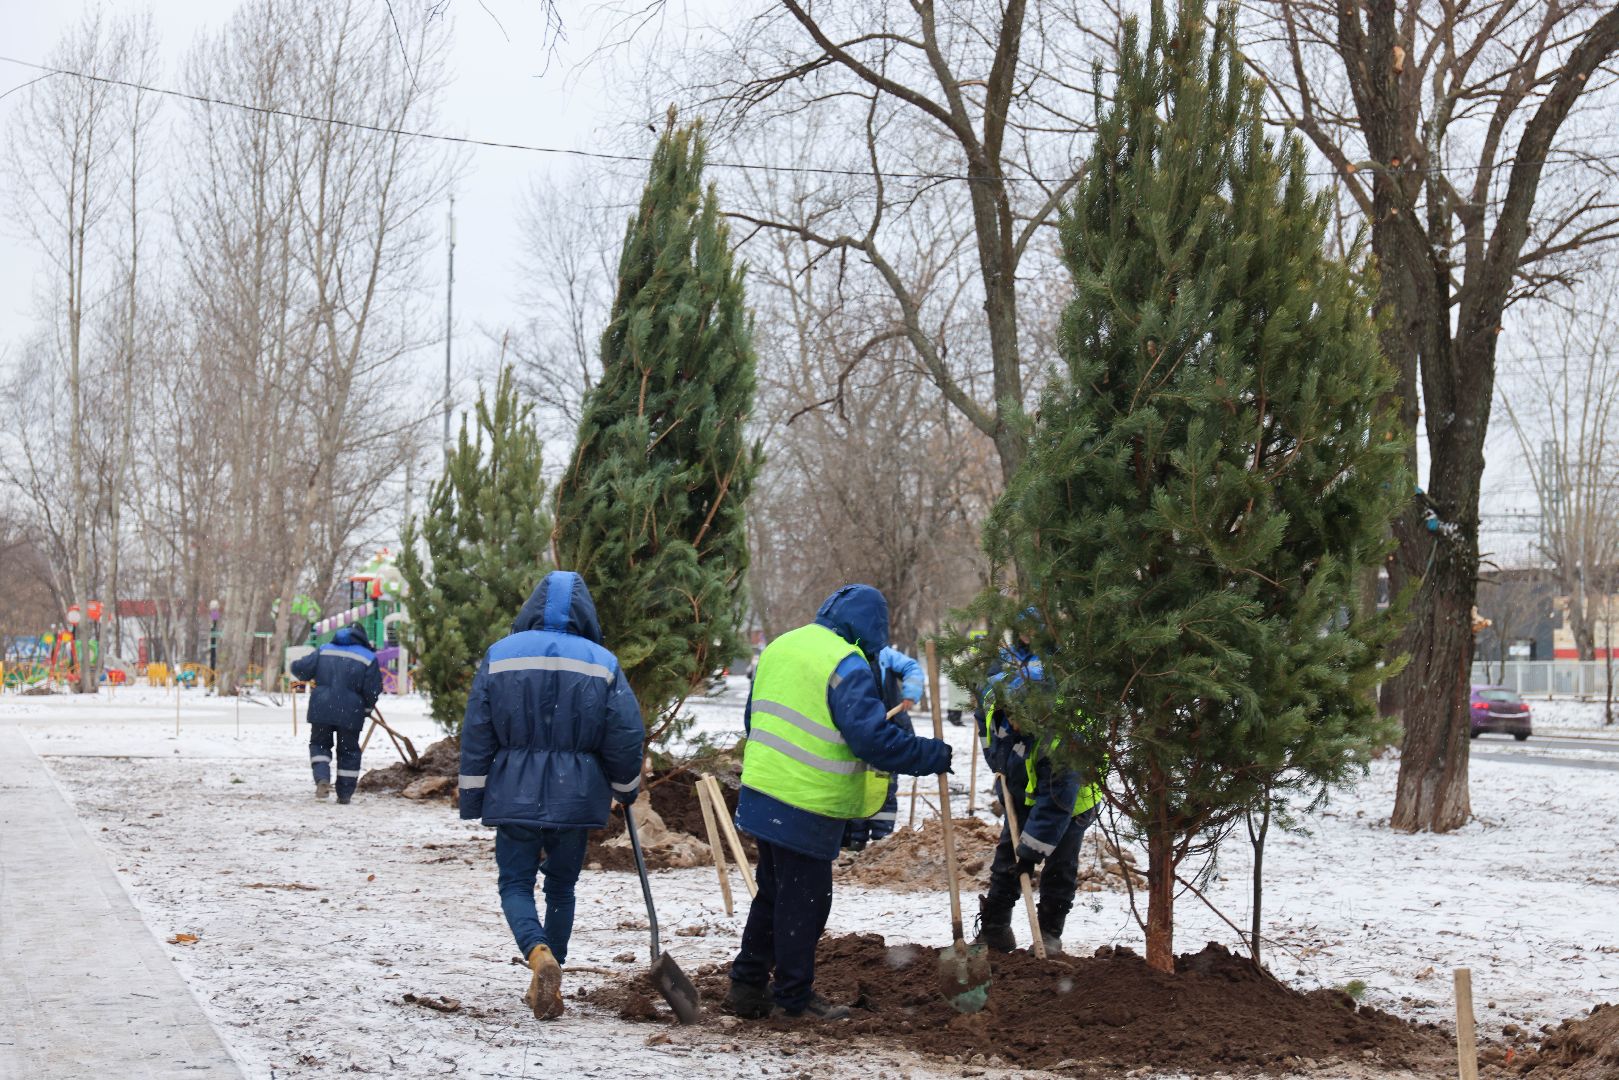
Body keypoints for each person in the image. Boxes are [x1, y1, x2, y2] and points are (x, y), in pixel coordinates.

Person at [725, 584, 952, 1021]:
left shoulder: (782, 646)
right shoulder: (844, 664)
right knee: (805, 902)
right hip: (806, 802)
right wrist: (929, 754)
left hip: (762, 793)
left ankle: (747, 985)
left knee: (773, 893)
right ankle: (793, 1000)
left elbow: (753, 717)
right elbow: (871, 740)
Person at [458, 571, 644, 1022]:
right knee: (562, 887)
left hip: (514, 788)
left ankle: (538, 955)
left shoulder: (501, 657)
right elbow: (625, 733)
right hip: (575, 794)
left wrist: (473, 794)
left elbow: (477, 731)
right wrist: (625, 787)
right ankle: (550, 977)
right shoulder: (602, 662)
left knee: (515, 883)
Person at [972, 633, 1102, 957]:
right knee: (1007, 860)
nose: (1013, 723)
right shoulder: (997, 707)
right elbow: (994, 746)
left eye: (1021, 716)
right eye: (1010, 714)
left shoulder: (1061, 737)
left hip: (1071, 803)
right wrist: (1005, 783)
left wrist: (1031, 852)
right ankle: (995, 931)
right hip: (1026, 790)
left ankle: (1049, 936)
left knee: (1058, 866)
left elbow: (1057, 802)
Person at [841, 643, 923, 850]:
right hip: (855, 732)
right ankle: (855, 841)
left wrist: (910, 693)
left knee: (885, 787)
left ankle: (882, 841)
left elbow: (911, 667)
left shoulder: (884, 655)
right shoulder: (844, 656)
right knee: (856, 787)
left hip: (888, 730)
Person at [289, 624, 383, 805]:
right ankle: (345, 793)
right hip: (351, 711)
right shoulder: (368, 657)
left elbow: (301, 670)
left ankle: (322, 778)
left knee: (319, 744)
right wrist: (367, 709)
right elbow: (373, 689)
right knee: (348, 751)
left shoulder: (324, 650)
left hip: (321, 708)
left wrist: (294, 664)